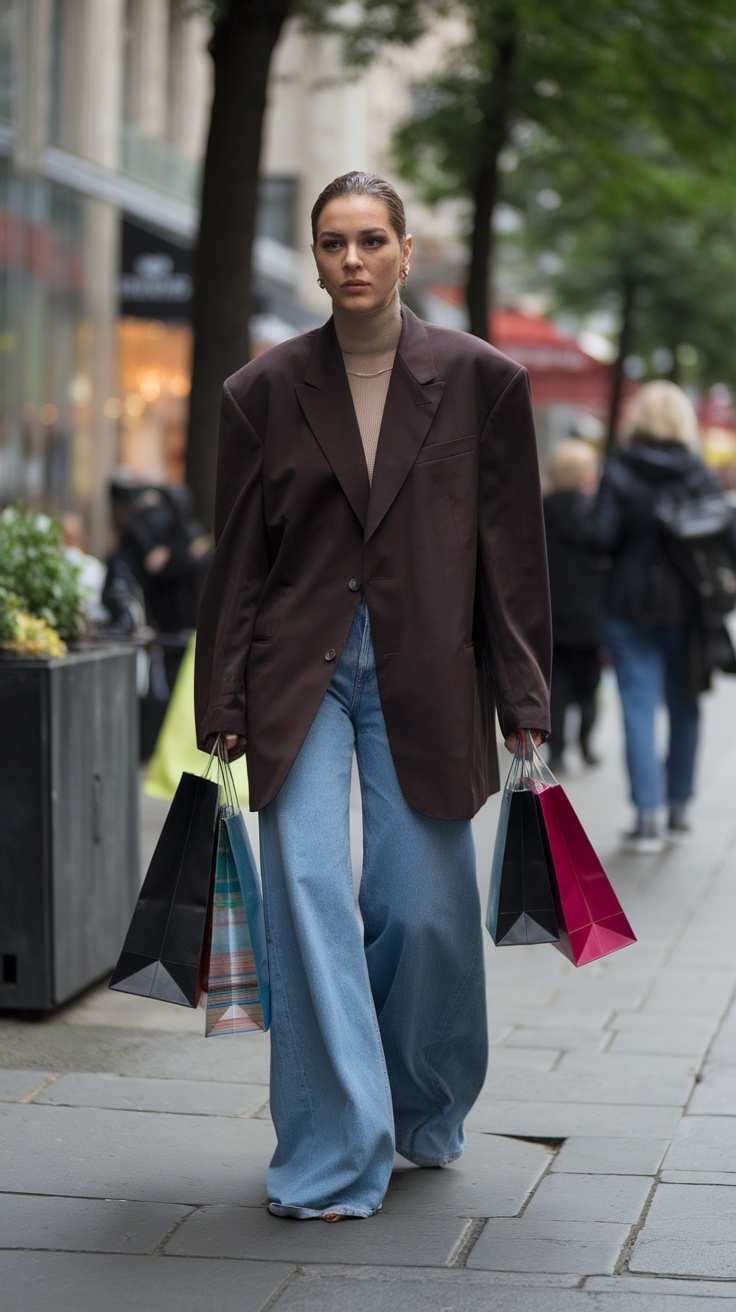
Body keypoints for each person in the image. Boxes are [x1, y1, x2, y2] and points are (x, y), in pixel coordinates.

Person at [195, 171, 551, 1221]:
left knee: (421, 908)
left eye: (370, 240)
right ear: (313, 258)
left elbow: (512, 556)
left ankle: (421, 1102)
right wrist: (223, 697)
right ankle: (330, 1151)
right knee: (307, 899)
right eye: (333, 242)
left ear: (406, 249)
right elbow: (239, 566)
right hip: (294, 672)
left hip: (430, 669)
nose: (352, 259)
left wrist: (524, 694)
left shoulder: (484, 382)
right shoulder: (259, 392)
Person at [587, 381, 724, 854]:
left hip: (629, 604)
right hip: (688, 606)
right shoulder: (698, 472)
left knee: (638, 707)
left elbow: (600, 537)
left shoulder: (620, 471)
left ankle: (647, 817)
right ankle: (680, 806)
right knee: (686, 704)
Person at [543, 440, 605, 774]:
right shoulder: (594, 511)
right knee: (589, 686)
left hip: (551, 613)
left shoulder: (539, 509)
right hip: (590, 615)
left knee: (557, 685)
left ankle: (557, 753)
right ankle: (586, 742)